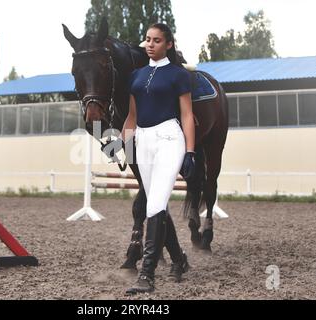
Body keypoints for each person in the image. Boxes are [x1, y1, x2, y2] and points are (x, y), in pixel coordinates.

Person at [114, 23, 196, 295]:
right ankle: (179, 259)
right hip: (143, 140)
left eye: (156, 40)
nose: (150, 44)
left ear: (168, 44)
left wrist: (191, 151)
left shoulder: (178, 75)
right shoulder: (136, 76)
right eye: (147, 39)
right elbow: (132, 117)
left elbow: (186, 115)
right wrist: (118, 145)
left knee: (156, 202)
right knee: (156, 204)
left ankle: (146, 275)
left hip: (170, 139)